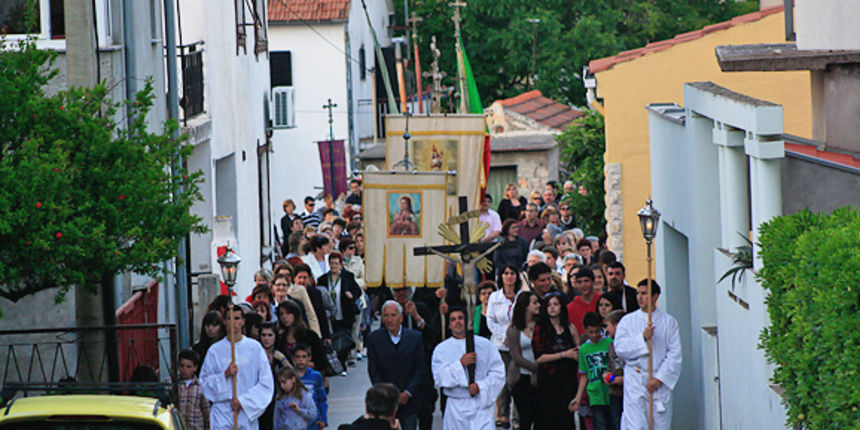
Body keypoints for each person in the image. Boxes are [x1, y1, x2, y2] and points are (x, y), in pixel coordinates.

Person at [613, 280, 681, 430]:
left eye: (644, 293)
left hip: (658, 381)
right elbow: (620, 348)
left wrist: (659, 379)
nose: (640, 297)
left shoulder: (669, 322)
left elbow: (674, 355)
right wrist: (642, 338)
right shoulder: (627, 321)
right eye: (638, 293)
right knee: (635, 425)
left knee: (660, 424)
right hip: (636, 380)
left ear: (655, 296)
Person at [200, 305, 274, 430]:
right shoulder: (215, 351)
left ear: (243, 321)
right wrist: (225, 375)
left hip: (245, 412)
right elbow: (205, 383)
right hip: (222, 413)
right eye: (229, 318)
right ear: (224, 322)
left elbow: (266, 383)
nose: (233, 322)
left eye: (237, 318)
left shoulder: (254, 348)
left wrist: (243, 402)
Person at [431, 307, 506, 430]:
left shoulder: (484, 345)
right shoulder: (441, 349)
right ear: (449, 325)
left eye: (460, 318)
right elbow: (439, 377)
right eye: (453, 319)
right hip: (456, 407)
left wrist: (480, 386)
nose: (457, 322)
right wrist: (460, 364)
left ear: (466, 321)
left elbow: (498, 372)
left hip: (480, 405)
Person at [366, 300, 428, 430]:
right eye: (386, 316)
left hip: (410, 401)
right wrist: (387, 394)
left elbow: (420, 369)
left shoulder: (415, 338)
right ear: (382, 318)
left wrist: (408, 392)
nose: (390, 320)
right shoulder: (374, 339)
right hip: (385, 404)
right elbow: (374, 371)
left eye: (393, 315)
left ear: (401, 318)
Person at [532, 294, 580, 429]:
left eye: (555, 304)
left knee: (565, 418)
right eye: (549, 305)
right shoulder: (540, 328)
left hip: (567, 379)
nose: (552, 308)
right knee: (547, 418)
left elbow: (577, 349)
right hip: (548, 379)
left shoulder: (570, 327)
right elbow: (539, 357)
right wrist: (564, 354)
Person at [486, 267, 520, 428]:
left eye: (512, 273)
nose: (509, 276)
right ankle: (503, 414)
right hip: (500, 345)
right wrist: (503, 336)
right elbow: (490, 320)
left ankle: (517, 417)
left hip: (519, 344)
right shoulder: (494, 297)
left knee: (518, 381)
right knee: (504, 381)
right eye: (506, 273)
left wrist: (514, 336)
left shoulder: (521, 296)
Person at [570, 312, 613, 430]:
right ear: (585, 330)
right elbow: (584, 375)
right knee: (600, 425)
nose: (594, 335)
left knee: (614, 423)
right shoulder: (584, 349)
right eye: (591, 332)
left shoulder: (609, 343)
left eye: (597, 331)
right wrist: (578, 398)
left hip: (610, 391)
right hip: (595, 394)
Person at [317, 251, 362, 366]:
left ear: (341, 264)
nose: (334, 266)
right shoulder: (323, 279)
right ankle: (337, 360)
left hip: (345, 311)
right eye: (332, 263)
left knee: (345, 336)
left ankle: (346, 359)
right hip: (331, 314)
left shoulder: (347, 277)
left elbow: (358, 291)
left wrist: (351, 295)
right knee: (335, 336)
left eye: (336, 263)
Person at [505, 292, 540, 430]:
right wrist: (535, 367)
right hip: (522, 376)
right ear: (525, 306)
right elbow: (515, 356)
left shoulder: (540, 325)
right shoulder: (514, 329)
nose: (538, 305)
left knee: (539, 415)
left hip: (539, 378)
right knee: (525, 416)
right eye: (534, 303)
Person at [275, 300, 326, 376]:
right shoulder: (280, 337)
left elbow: (321, 362)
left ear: (296, 314)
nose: (284, 317)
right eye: (281, 314)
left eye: (288, 313)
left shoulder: (310, 336)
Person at [259, 323, 292, 430]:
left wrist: (282, 359)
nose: (266, 339)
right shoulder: (256, 354)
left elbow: (293, 375)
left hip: (278, 399)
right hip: (261, 400)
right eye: (263, 335)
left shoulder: (280, 354)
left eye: (270, 335)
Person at [293, 344, 328, 430]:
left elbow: (322, 399)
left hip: (313, 422)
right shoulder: (290, 375)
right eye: (298, 357)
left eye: (304, 357)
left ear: (309, 358)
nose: (301, 360)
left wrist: (323, 419)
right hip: (294, 421)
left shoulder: (316, 376)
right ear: (293, 358)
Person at [294, 263, 331, 342]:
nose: (302, 280)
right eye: (299, 277)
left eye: (305, 277)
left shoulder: (316, 293)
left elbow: (322, 315)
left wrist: (326, 336)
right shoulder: (291, 293)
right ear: (295, 279)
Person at [603, 310, 626, 429]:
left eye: (607, 326)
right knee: (615, 423)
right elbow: (609, 365)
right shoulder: (611, 346)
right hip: (614, 393)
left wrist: (624, 379)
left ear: (617, 325)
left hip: (627, 393)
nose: (606, 330)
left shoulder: (630, 344)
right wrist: (606, 375)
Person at [177, 349, 210, 430]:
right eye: (182, 366)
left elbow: (206, 411)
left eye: (188, 367)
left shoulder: (200, 386)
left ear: (195, 368)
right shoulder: (173, 384)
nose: (184, 370)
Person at [567, 267, 601, 337]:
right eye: (579, 282)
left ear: (593, 281)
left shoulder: (602, 302)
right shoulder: (570, 308)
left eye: (586, 281)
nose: (583, 285)